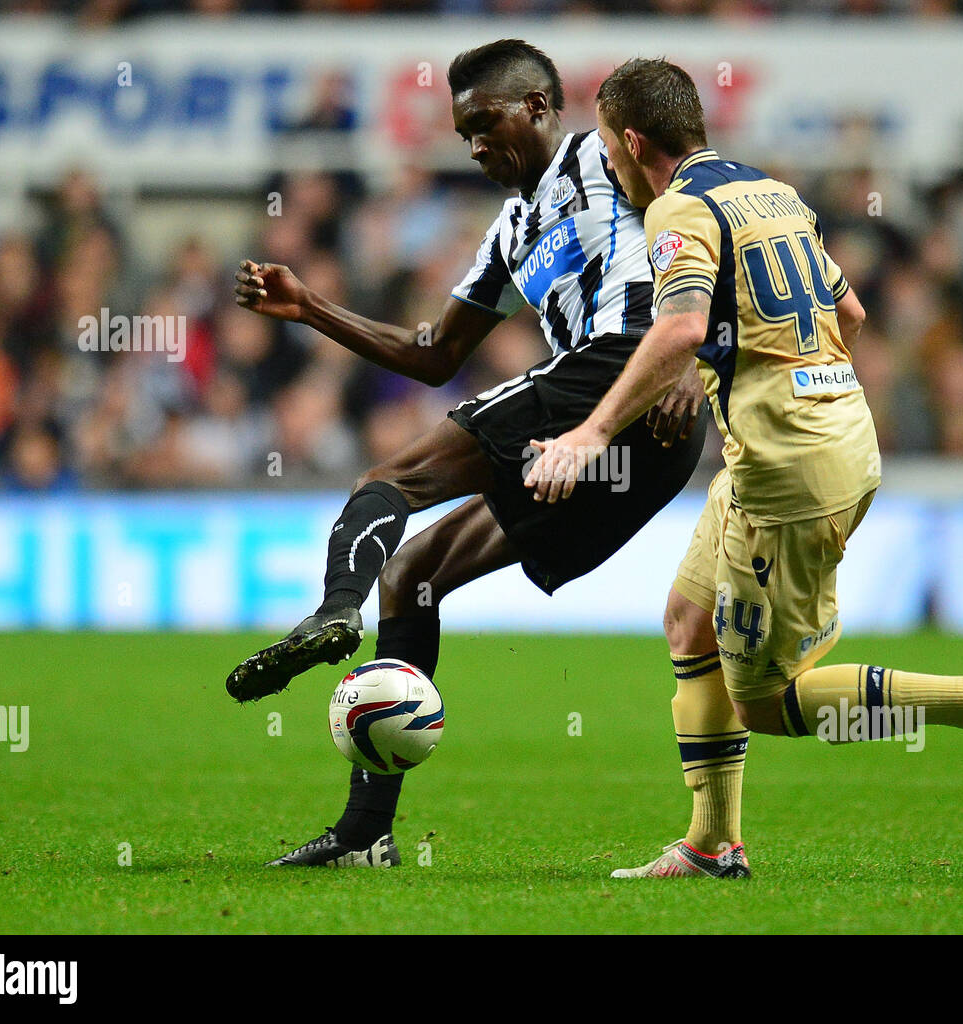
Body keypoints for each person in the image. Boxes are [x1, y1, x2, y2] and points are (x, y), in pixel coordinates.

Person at [526, 58, 963, 879]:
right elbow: (850, 310)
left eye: (606, 146)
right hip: (815, 440)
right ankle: (711, 844)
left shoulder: (676, 208)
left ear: (632, 141)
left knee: (766, 703)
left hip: (788, 469)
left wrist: (591, 434)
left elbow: (679, 328)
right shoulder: (768, 191)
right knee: (687, 621)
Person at [227, 40, 732, 869]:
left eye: (485, 123)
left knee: (389, 479)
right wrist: (313, 306)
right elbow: (434, 353)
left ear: (537, 107)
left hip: (620, 371)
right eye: (462, 133)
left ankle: (332, 614)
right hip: (612, 439)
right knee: (414, 575)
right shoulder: (509, 231)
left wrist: (699, 354)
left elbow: (724, 226)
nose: (474, 145)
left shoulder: (612, 156)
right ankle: (364, 833)